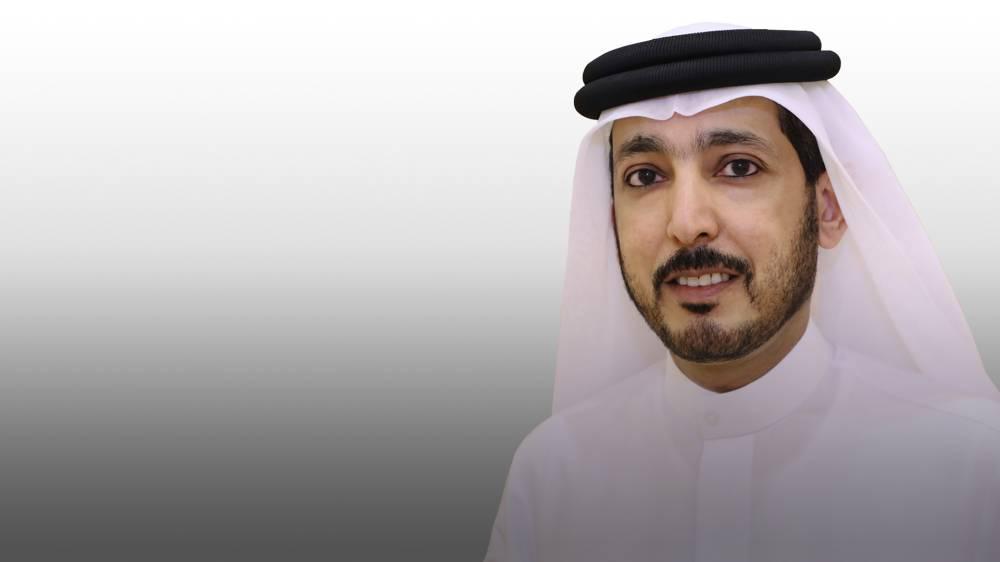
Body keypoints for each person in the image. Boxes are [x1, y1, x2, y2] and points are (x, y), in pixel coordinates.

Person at [484, 23, 1000, 562]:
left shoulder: (973, 471)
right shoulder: (550, 479)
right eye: (645, 177)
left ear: (828, 208)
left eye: (738, 167)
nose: (687, 224)